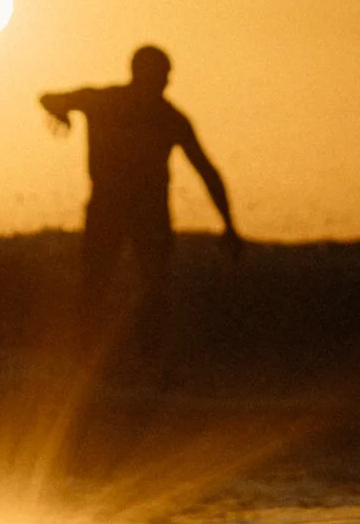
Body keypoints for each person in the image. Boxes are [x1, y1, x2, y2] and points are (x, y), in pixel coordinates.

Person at [40, 46, 238, 352]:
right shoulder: (107, 101)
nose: (167, 83)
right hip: (112, 208)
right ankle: (84, 354)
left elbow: (206, 171)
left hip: (146, 212)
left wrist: (229, 225)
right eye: (162, 76)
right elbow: (48, 98)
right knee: (97, 283)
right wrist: (62, 111)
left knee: (152, 288)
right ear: (142, 73)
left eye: (167, 76)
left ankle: (145, 358)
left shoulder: (165, 116)